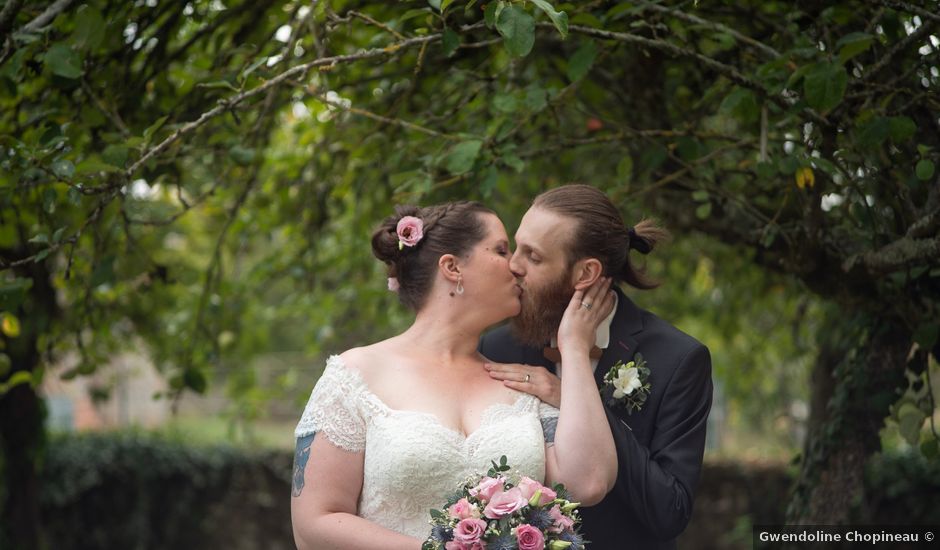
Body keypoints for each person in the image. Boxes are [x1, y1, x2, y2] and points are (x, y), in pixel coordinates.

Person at [290, 201, 618, 550]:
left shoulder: (520, 380)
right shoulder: (354, 375)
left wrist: (575, 349)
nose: (516, 266)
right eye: (501, 250)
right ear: (452, 267)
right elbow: (315, 524)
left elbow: (589, 483)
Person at [480, 184, 714, 550]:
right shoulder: (496, 348)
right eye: (515, 247)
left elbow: (670, 512)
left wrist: (569, 396)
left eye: (534, 257)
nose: (513, 266)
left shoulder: (678, 360)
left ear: (585, 272)